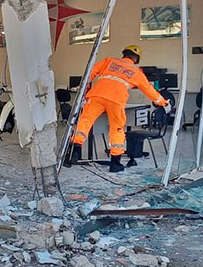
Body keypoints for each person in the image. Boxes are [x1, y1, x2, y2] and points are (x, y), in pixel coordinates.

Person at [67, 45, 170, 173]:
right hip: (116, 100)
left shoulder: (109, 61)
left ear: (123, 54)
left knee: (84, 122)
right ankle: (115, 163)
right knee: (117, 128)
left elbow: (90, 74)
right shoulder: (137, 73)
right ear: (137, 59)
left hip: (97, 94)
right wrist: (164, 103)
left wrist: (83, 88)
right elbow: (150, 91)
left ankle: (74, 152)